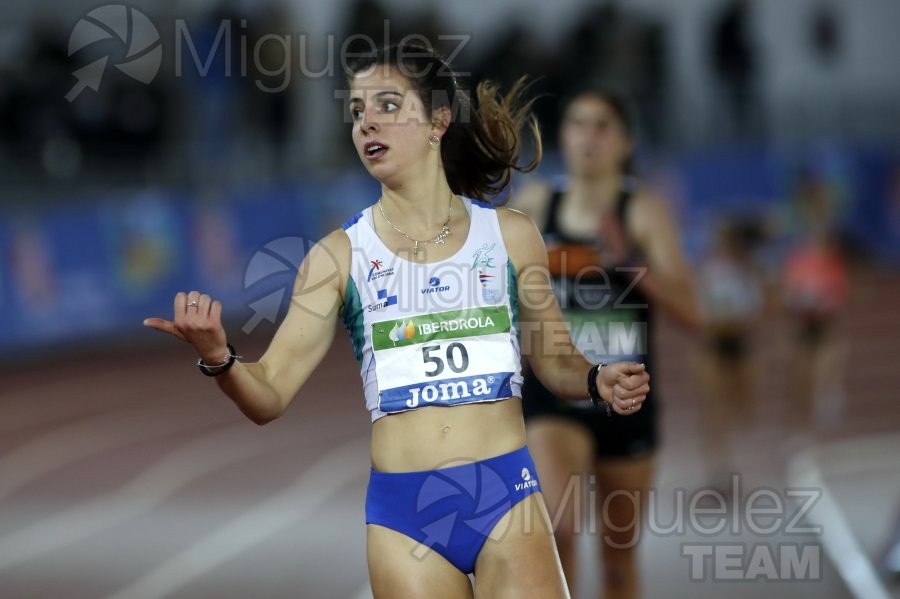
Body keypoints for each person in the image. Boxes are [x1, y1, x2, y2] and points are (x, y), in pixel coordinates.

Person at [143, 43, 649, 599]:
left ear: (438, 119)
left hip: (507, 494)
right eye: (357, 113)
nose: (367, 125)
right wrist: (220, 358)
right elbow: (268, 394)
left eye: (386, 105)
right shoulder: (338, 257)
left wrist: (595, 378)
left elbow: (554, 358)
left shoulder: (510, 234)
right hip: (405, 515)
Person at [512, 86, 700, 599]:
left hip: (627, 398)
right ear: (562, 137)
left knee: (618, 561)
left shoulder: (642, 210)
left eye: (601, 126)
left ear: (625, 141)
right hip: (557, 394)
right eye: (577, 123)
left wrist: (630, 265)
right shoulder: (533, 206)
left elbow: (693, 313)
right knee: (559, 529)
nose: (587, 137)